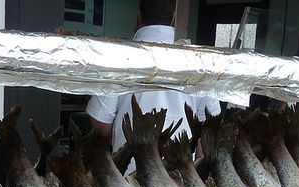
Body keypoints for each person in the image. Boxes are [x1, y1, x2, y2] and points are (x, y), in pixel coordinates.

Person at [86, 0, 220, 172]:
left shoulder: (119, 56)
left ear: (139, 16)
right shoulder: (199, 60)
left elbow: (101, 121)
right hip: (181, 175)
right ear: (174, 18)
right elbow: (209, 127)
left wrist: (127, 140)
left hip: (129, 172)